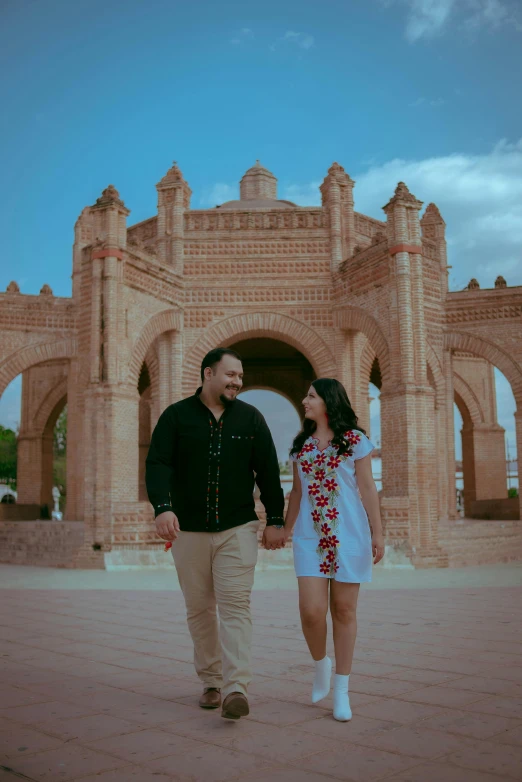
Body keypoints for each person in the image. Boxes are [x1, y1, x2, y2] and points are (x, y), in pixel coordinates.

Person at [145, 347, 286, 720]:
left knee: (236, 605)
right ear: (208, 374)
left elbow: (269, 472)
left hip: (237, 527)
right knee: (200, 609)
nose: (237, 381)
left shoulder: (251, 419)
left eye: (240, 376)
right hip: (187, 530)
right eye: (231, 374)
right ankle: (211, 681)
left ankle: (236, 687)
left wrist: (275, 519)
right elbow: (158, 463)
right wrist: (163, 507)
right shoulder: (175, 417)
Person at [283, 378, 384, 722]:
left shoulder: (355, 441)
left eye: (310, 396)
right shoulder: (301, 445)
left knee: (344, 611)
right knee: (311, 611)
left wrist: (378, 533)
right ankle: (320, 664)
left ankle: (342, 690)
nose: (304, 400)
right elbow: (297, 493)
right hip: (310, 538)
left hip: (350, 535)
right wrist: (285, 527)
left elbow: (368, 488)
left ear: (328, 401)